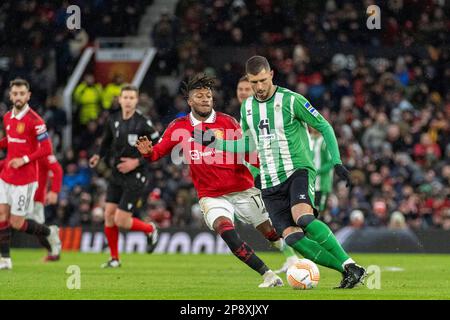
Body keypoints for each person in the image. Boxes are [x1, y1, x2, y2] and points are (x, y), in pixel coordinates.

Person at [204, 56, 366, 288]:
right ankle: (349, 270)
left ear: (271, 75)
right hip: (269, 182)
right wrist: (218, 144)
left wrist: (337, 161)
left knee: (304, 217)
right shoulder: (247, 107)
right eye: (253, 83)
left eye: (262, 80)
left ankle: (348, 261)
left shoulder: (292, 100)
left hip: (297, 171)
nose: (258, 87)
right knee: (291, 237)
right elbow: (248, 144)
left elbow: (324, 126)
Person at [136, 74, 285, 288]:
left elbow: (249, 153)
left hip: (242, 189)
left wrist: (272, 173)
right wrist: (148, 153)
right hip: (211, 195)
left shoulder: (228, 121)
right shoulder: (179, 127)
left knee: (272, 234)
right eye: (199, 96)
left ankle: (296, 259)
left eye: (208, 95)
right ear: (189, 101)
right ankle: (268, 275)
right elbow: (156, 153)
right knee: (227, 233)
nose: (206, 99)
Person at [89, 84, 160, 268]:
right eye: (125, 97)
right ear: (120, 99)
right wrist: (98, 155)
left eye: (131, 98)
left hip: (136, 175)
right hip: (117, 172)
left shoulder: (143, 122)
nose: (128, 101)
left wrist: (136, 162)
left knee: (121, 220)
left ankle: (150, 228)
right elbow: (105, 142)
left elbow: (158, 145)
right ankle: (114, 259)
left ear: (136, 100)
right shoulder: (113, 120)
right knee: (109, 215)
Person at [235, 75, 299, 274]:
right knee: (265, 225)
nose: (243, 93)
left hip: (267, 174)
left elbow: (261, 147)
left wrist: (256, 172)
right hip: (249, 178)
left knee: (271, 222)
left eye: (247, 89)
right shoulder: (244, 115)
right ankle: (292, 256)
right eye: (240, 89)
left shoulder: (263, 114)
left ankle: (296, 256)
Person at [0, 78, 61, 270]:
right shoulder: (7, 117)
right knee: (2, 215)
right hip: (6, 176)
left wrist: (24, 160)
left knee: (17, 223)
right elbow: (10, 141)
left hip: (25, 180)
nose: (18, 97)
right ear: (10, 96)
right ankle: (5, 260)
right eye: (15, 94)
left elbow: (46, 148)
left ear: (28, 96)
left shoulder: (36, 121)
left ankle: (49, 232)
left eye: (22, 94)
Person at [0, 147, 63, 262]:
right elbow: (6, 164)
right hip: (17, 192)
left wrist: (54, 191)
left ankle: (52, 243)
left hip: (35, 196)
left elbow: (57, 170)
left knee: (31, 226)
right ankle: (5, 255)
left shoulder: (42, 152)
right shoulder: (20, 150)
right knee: (9, 222)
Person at [310, 128, 334, 213]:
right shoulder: (308, 138)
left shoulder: (325, 140)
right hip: (308, 183)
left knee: (320, 211)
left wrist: (316, 171)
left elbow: (331, 162)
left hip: (322, 183)